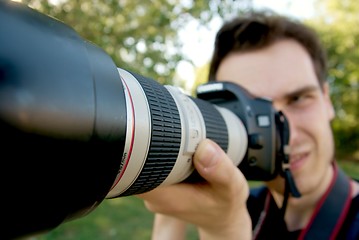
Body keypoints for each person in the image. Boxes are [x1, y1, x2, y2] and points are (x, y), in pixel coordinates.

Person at [137, 10, 359, 240]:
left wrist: (223, 230)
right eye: (254, 117)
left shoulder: (230, 216)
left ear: (327, 100)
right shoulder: (244, 205)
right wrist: (169, 218)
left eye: (298, 99)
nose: (287, 138)